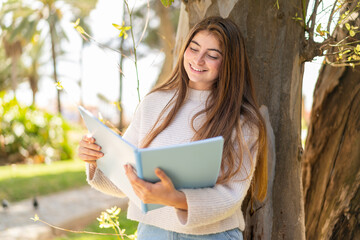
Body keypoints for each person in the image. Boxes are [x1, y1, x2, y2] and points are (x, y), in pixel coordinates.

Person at [78, 16, 268, 240]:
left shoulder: (243, 120)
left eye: (212, 55)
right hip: (151, 233)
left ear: (229, 63)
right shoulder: (154, 103)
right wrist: (95, 160)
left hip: (213, 235)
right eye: (193, 48)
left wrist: (174, 198)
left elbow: (231, 197)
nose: (198, 60)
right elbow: (126, 179)